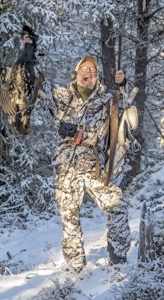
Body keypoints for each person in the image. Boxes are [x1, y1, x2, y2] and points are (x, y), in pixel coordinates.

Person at [49, 55, 131, 273]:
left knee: (117, 207)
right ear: (76, 73)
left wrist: (121, 84)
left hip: (94, 167)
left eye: (93, 71)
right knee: (69, 218)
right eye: (84, 69)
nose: (89, 73)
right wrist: (27, 51)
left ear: (97, 77)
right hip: (65, 166)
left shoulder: (105, 98)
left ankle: (118, 260)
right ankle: (76, 269)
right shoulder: (61, 96)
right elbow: (34, 86)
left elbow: (124, 105)